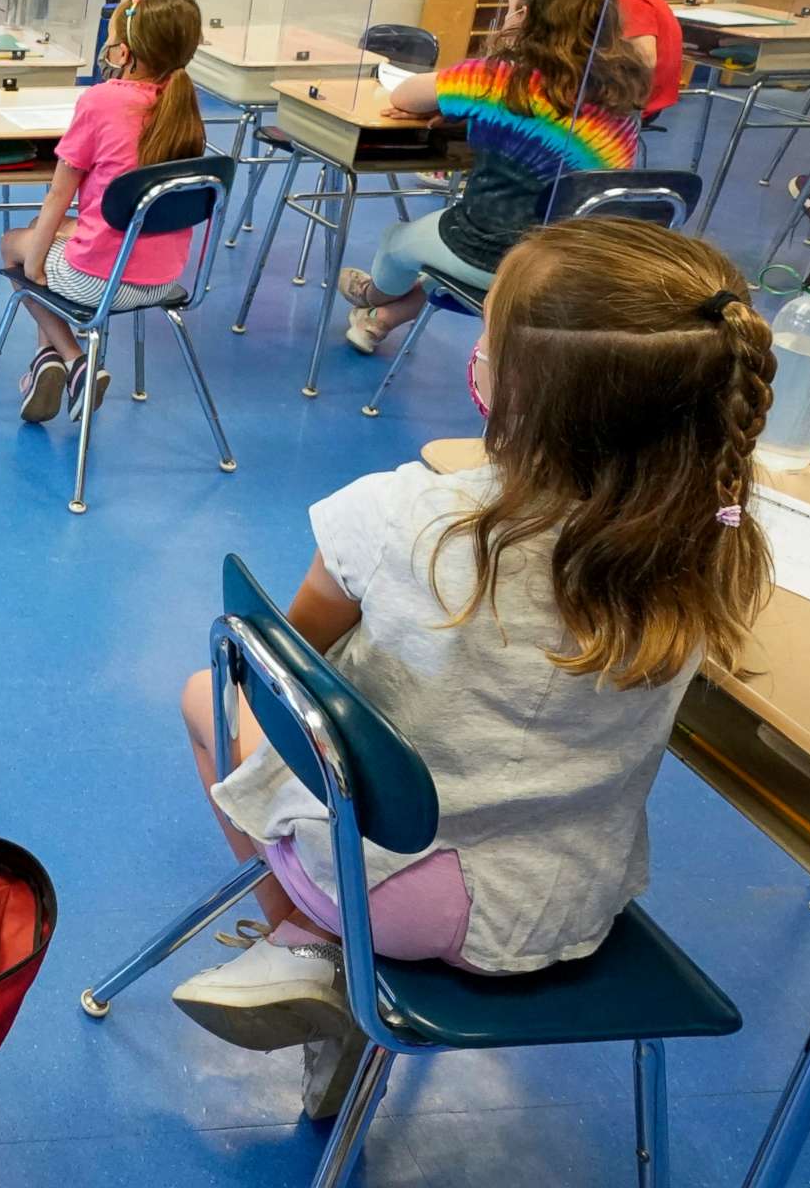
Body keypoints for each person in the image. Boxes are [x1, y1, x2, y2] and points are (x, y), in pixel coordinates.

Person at [167, 217, 774, 1118]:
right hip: (571, 901)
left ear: (515, 392)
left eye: (485, 344)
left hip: (399, 899)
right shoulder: (715, 540)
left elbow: (284, 660)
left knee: (203, 691)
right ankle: (317, 956)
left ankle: (308, 944)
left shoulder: (405, 513)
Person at [341, 0, 647, 355]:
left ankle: (372, 297)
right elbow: (551, 131)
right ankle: (382, 322)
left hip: (493, 253)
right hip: (573, 267)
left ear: (523, 14)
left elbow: (404, 95)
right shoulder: (623, 89)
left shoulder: (499, 78)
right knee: (454, 267)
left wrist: (454, 104)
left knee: (399, 241)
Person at [0, 0, 210, 422]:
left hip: (100, 282)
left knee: (12, 247)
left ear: (124, 52)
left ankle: (74, 359)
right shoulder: (183, 106)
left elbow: (60, 193)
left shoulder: (100, 101)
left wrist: (35, 264)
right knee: (45, 228)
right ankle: (45, 362)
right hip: (165, 280)